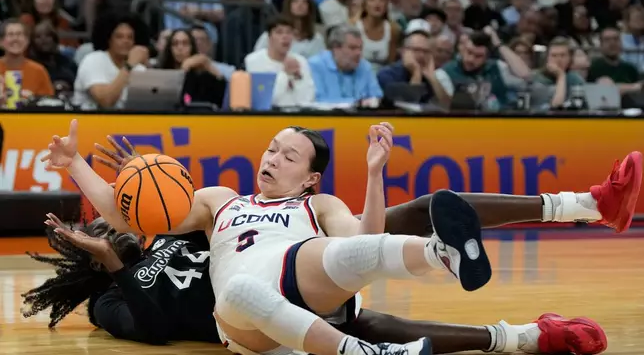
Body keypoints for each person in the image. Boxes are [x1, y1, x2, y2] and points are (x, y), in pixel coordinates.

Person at [39, 120, 639, 355]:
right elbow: (129, 215)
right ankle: (524, 329)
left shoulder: (319, 204)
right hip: (251, 315)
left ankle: (443, 253)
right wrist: (75, 165)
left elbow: (366, 242)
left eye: (287, 153)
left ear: (311, 174)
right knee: (243, 295)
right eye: (270, 147)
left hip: (309, 277)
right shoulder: (219, 202)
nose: (271, 157)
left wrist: (376, 175)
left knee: (359, 246)